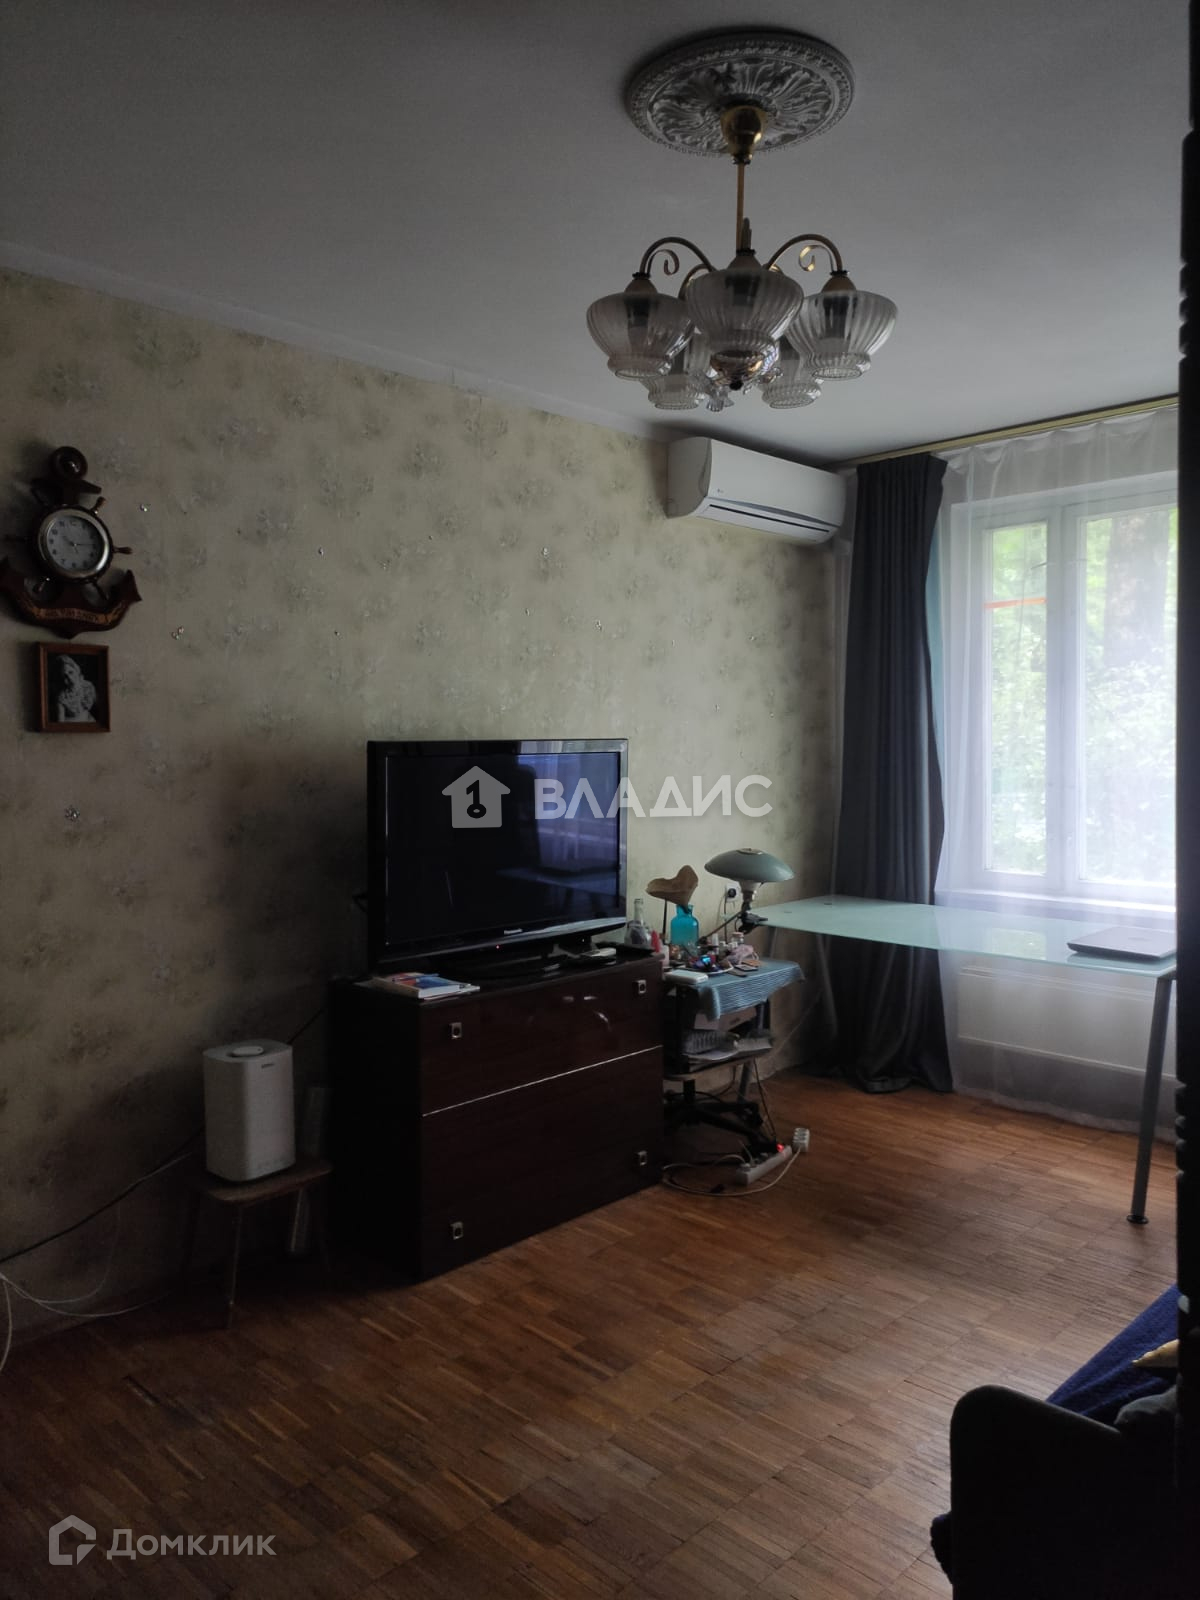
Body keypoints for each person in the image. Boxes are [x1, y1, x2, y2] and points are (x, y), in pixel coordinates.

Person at [55, 656, 96, 723]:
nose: (70, 678)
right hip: (72, 725)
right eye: (65, 676)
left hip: (89, 721)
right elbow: (60, 722)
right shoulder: (62, 696)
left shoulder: (88, 686)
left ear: (77, 670)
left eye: (71, 672)